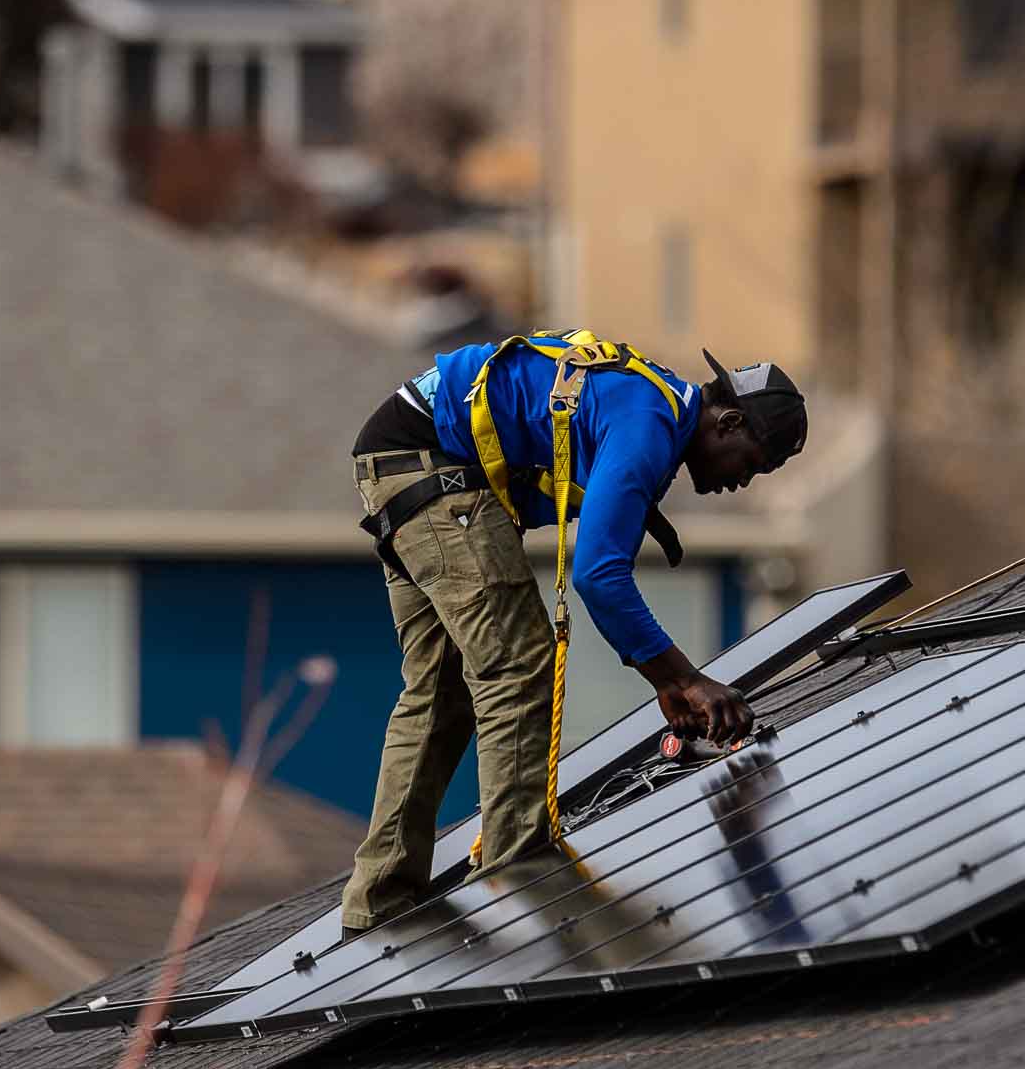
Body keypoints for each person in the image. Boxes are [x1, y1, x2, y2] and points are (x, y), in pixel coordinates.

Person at [341, 329, 808, 936]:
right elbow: (599, 576)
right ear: (726, 422)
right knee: (519, 664)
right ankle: (516, 880)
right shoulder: (647, 425)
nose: (745, 480)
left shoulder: (644, 404)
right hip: (437, 472)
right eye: (755, 462)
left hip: (399, 463)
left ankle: (381, 899)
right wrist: (685, 680)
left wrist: (666, 684)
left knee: (442, 691)